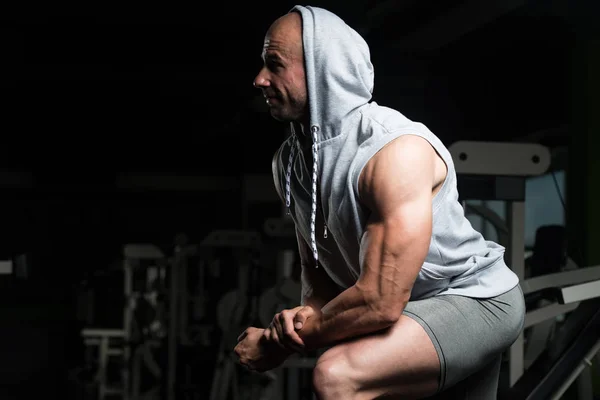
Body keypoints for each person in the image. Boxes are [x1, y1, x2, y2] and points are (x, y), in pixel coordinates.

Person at [234, 5, 525, 399]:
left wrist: (277, 342)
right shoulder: (289, 161)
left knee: (337, 374)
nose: (260, 79)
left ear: (323, 68)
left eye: (274, 64)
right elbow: (316, 269)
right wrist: (309, 313)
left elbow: (380, 299)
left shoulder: (392, 151)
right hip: (413, 313)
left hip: (472, 301)